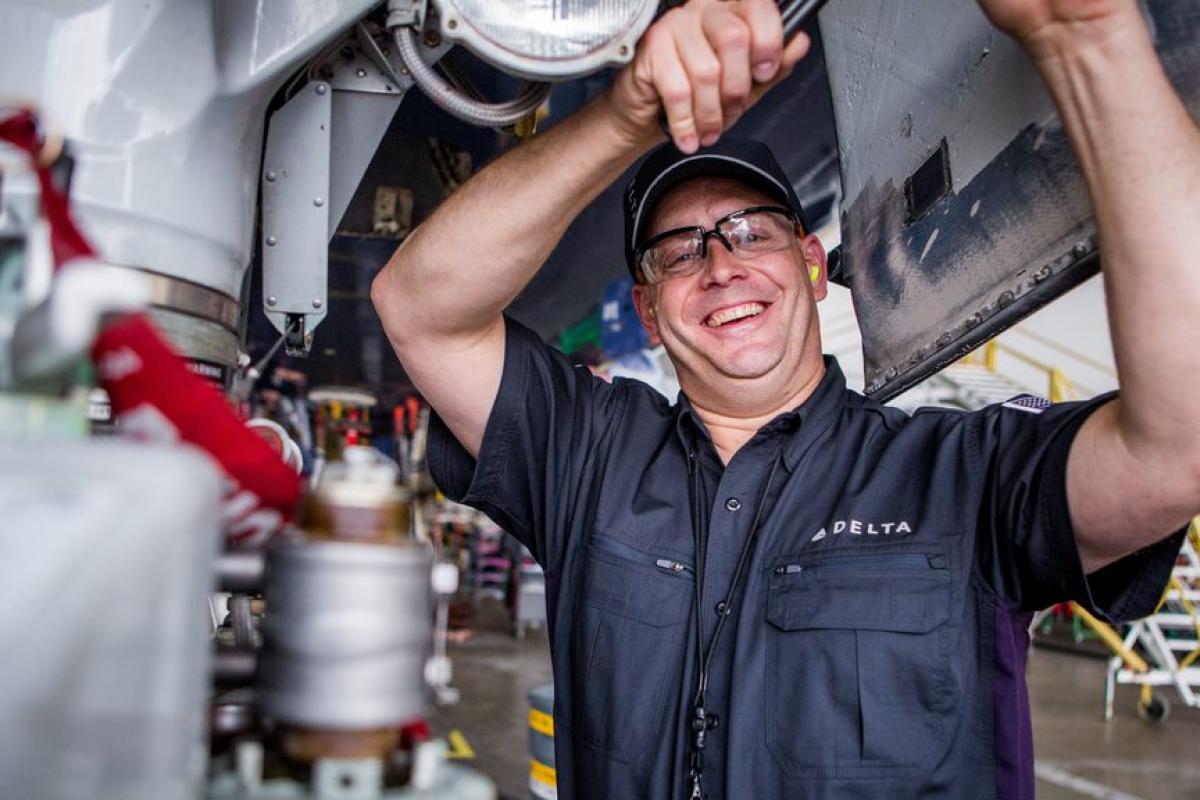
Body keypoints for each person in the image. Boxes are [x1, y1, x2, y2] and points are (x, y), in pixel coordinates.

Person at [371, 0, 1199, 796]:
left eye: (751, 233)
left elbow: (1177, 451)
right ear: (650, 312)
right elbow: (419, 308)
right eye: (680, 250)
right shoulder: (587, 455)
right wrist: (626, 117)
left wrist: (1087, 38)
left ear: (811, 263)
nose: (721, 265)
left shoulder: (960, 477)